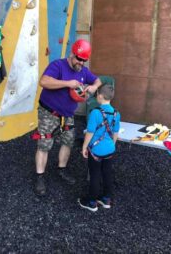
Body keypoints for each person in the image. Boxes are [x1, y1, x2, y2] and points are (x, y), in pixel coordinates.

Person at [34, 39, 102, 196]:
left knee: (68, 142)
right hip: (49, 113)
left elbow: (97, 80)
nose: (81, 63)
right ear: (72, 54)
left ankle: (61, 169)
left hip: (68, 115)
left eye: (84, 60)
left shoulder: (83, 71)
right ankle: (39, 177)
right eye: (79, 59)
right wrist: (67, 83)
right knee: (44, 144)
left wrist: (93, 86)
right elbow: (43, 82)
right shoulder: (57, 66)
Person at [78, 84, 121, 212]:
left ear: (100, 96)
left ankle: (92, 202)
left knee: (95, 174)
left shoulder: (95, 113)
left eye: (97, 94)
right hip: (109, 149)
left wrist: (84, 147)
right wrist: (112, 145)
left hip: (96, 150)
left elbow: (90, 132)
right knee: (107, 173)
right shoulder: (116, 113)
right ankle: (106, 199)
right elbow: (115, 132)